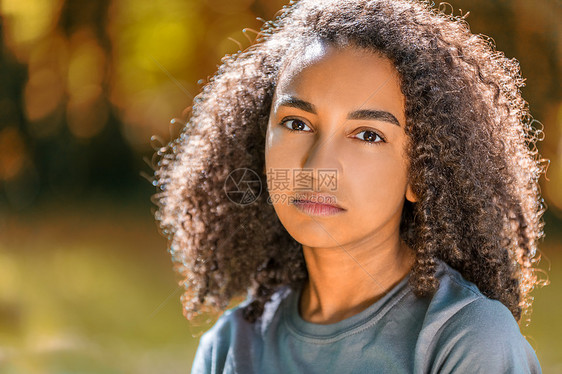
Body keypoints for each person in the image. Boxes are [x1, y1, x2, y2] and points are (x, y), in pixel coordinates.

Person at [151, 0, 549, 372]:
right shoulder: (230, 348)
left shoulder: (466, 341)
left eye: (368, 135)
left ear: (419, 174)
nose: (319, 165)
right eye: (297, 124)